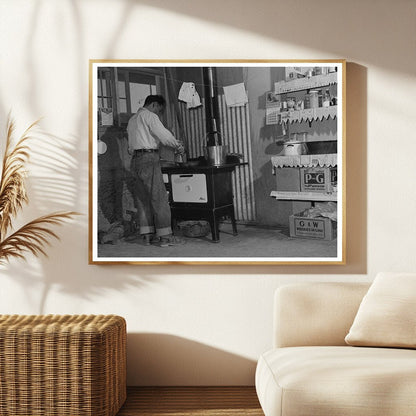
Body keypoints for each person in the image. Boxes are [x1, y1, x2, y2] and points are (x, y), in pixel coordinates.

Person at [127, 94, 184, 247]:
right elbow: (164, 136)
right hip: (149, 159)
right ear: (153, 105)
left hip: (135, 161)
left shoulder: (132, 120)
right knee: (159, 198)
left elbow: (130, 147)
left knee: (142, 199)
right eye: (159, 109)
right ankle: (165, 238)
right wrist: (177, 145)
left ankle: (147, 236)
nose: (158, 113)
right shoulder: (149, 116)